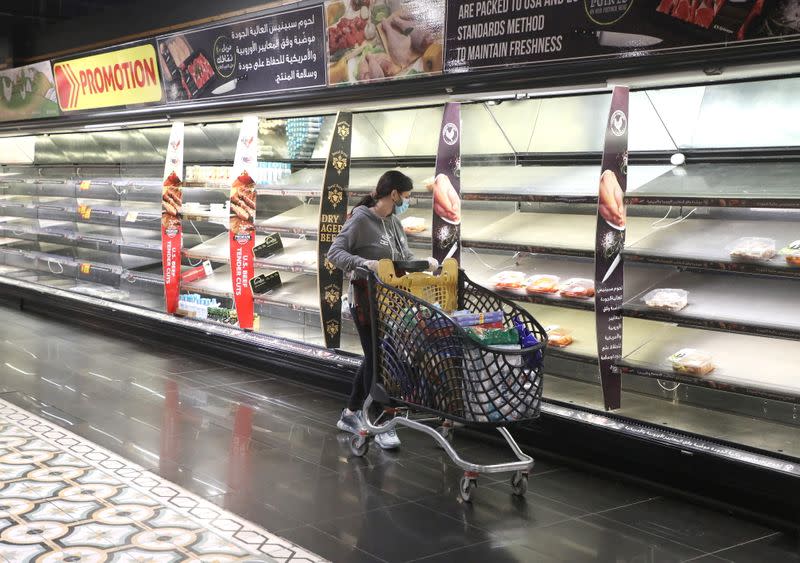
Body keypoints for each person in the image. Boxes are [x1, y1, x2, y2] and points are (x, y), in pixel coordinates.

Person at [327, 170, 437, 450]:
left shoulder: (395, 223)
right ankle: (377, 419)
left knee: (378, 358)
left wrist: (424, 264)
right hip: (365, 301)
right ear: (394, 194)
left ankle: (351, 413)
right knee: (378, 360)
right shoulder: (362, 219)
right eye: (407, 196)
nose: (407, 202)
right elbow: (335, 254)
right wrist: (368, 264)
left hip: (392, 302)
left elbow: (404, 258)